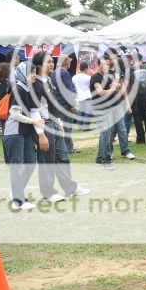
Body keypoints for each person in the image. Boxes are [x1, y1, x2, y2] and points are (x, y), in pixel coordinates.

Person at [31, 52, 88, 201]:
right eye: (48, 62)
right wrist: (41, 134)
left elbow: (53, 105)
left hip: (55, 124)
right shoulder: (35, 84)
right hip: (44, 127)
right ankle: (48, 193)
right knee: (47, 161)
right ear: (38, 65)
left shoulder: (49, 81)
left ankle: (70, 188)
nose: (51, 64)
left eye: (52, 61)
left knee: (63, 157)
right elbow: (34, 111)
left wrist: (58, 121)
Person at [3, 63, 46, 210]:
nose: (34, 75)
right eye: (31, 72)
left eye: (35, 72)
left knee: (30, 163)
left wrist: (38, 123)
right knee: (18, 166)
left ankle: (16, 191)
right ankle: (17, 200)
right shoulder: (19, 89)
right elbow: (14, 114)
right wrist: (34, 121)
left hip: (25, 131)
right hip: (15, 132)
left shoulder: (29, 89)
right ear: (22, 73)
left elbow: (34, 111)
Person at [106, 49, 136, 161]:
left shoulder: (118, 71)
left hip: (118, 104)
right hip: (107, 106)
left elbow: (123, 88)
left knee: (122, 129)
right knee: (110, 130)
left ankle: (126, 151)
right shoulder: (103, 71)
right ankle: (109, 152)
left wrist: (127, 104)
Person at [51, 55, 79, 154]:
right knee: (67, 127)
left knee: (59, 127)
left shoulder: (53, 73)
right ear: (67, 62)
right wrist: (72, 106)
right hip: (64, 104)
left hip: (55, 103)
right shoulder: (65, 73)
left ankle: (59, 148)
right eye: (69, 61)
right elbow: (68, 91)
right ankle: (68, 148)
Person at [72, 62, 93, 128]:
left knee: (80, 111)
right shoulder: (88, 77)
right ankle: (86, 126)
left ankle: (80, 125)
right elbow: (90, 87)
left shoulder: (74, 77)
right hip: (87, 95)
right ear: (86, 69)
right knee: (88, 112)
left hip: (78, 96)